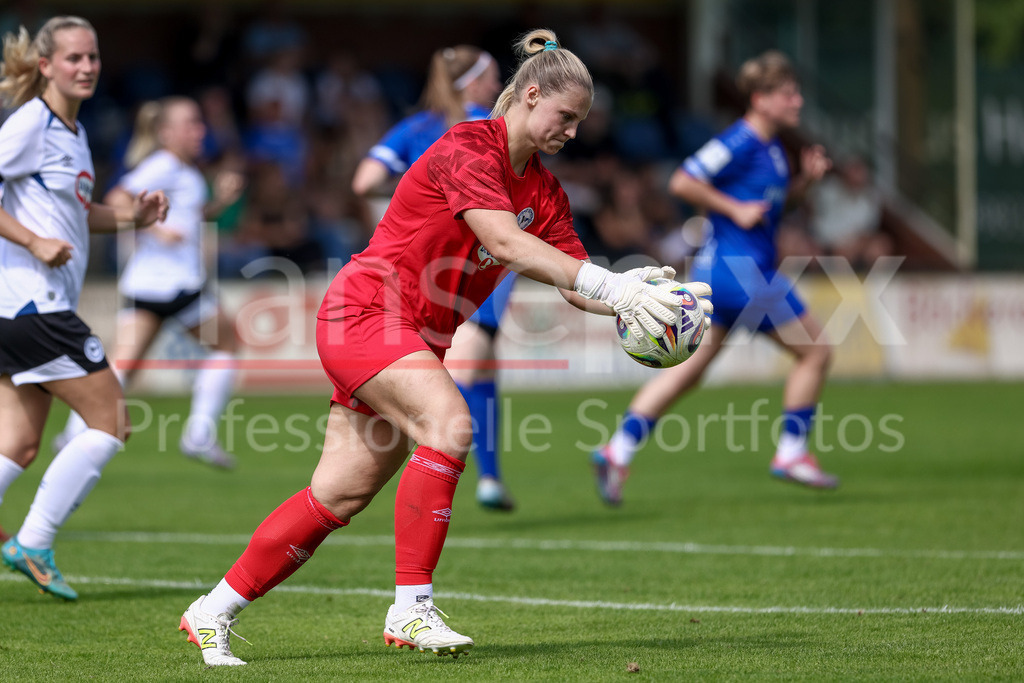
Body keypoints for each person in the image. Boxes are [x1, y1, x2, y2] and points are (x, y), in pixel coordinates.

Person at [178, 29, 711, 666]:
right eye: (565, 116)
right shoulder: (466, 146)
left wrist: (639, 293)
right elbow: (507, 245)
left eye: (581, 122)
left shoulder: (545, 193)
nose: (573, 131)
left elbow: (574, 287)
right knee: (451, 424)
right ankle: (411, 608)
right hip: (366, 311)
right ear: (530, 93)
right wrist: (613, 285)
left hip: (408, 337)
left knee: (337, 495)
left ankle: (212, 610)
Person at [591, 50, 836, 507]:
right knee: (817, 353)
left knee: (690, 372)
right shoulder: (741, 139)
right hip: (742, 272)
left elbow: (769, 207)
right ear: (761, 99)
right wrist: (732, 209)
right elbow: (684, 180)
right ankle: (792, 452)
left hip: (724, 275)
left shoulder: (773, 149)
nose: (798, 101)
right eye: (789, 93)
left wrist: (806, 182)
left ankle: (616, 450)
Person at [0, 16, 168, 599]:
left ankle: (29, 541)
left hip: (21, 310)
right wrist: (32, 242)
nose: (88, 67)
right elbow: (34, 222)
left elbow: (77, 210)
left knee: (17, 444)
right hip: (33, 305)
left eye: (93, 57)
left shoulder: (72, 132)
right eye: (74, 58)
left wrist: (133, 217)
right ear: (45, 65)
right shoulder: (30, 124)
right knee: (111, 421)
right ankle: (34, 541)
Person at [351, 45, 518, 511]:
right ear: (477, 83)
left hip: (423, 264)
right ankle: (448, 466)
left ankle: (490, 477)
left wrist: (413, 184)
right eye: (491, 76)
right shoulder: (488, 125)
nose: (496, 84)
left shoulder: (416, 127)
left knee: (482, 365)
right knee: (470, 364)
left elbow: (364, 183)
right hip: (481, 257)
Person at [53, 96, 244, 468]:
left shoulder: (184, 172)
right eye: (191, 123)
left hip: (157, 284)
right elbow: (117, 197)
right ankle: (199, 434)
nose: (199, 130)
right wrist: (157, 230)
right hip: (169, 283)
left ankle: (73, 432)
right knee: (226, 344)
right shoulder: (163, 165)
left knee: (124, 366)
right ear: (166, 132)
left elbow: (187, 217)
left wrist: (219, 203)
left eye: (199, 123)